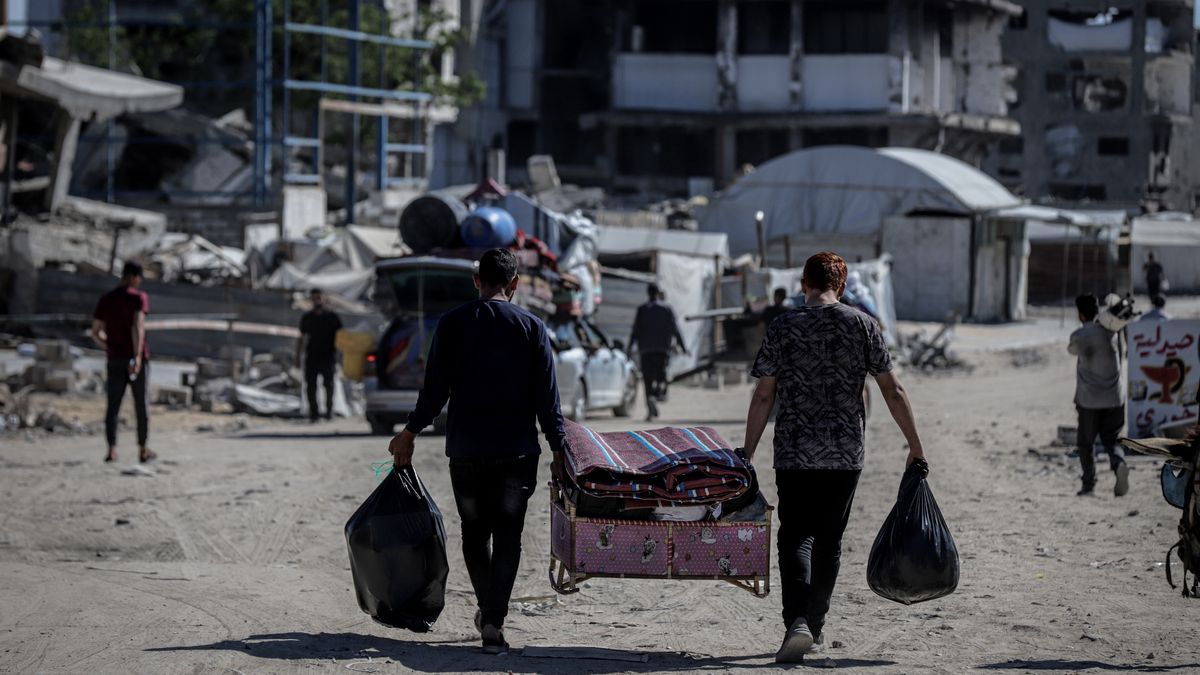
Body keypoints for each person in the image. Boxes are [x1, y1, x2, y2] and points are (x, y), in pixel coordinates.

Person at [742, 251, 926, 663]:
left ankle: (797, 623)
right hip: (844, 454)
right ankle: (816, 624)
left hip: (794, 452)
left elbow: (764, 394)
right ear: (840, 286)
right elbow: (893, 391)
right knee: (829, 540)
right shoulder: (863, 325)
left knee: (794, 536)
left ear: (803, 284)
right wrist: (915, 445)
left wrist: (747, 452)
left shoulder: (783, 327)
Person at [388, 248, 566, 655]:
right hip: (517, 454)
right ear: (514, 283)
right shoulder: (533, 327)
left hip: (466, 452)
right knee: (508, 537)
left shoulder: (451, 325)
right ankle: (493, 619)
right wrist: (559, 450)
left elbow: (434, 392)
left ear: (476, 281)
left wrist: (409, 434)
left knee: (474, 533)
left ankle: (488, 611)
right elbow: (547, 401)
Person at [91, 261, 155, 464]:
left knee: (113, 406)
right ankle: (142, 449)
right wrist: (136, 356)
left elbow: (95, 332)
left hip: (114, 359)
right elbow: (138, 327)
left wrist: (109, 346)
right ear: (135, 277)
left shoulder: (107, 299)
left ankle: (111, 449)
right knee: (141, 406)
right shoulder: (138, 298)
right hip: (135, 360)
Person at [1069, 293, 1129, 497]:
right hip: (1115, 398)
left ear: (1080, 313)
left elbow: (1072, 350)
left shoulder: (1080, 335)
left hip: (1090, 401)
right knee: (1111, 439)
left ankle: (1089, 485)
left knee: (1086, 443)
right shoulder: (1113, 332)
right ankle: (1119, 463)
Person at [629, 283, 688, 421]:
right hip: (662, 350)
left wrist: (629, 347)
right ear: (657, 293)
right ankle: (656, 394)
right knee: (661, 375)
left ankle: (650, 407)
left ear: (648, 293)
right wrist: (682, 347)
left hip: (645, 350)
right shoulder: (666, 308)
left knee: (647, 379)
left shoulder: (642, 309)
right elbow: (675, 329)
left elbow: (635, 331)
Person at [296, 288, 342, 422]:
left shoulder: (332, 317)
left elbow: (341, 338)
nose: (317, 300)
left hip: (328, 356)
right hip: (312, 356)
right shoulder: (307, 318)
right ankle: (314, 414)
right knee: (311, 387)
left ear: (324, 298)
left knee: (329, 386)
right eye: (314, 298)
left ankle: (328, 412)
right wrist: (297, 357)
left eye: (319, 298)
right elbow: (301, 338)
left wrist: (342, 356)